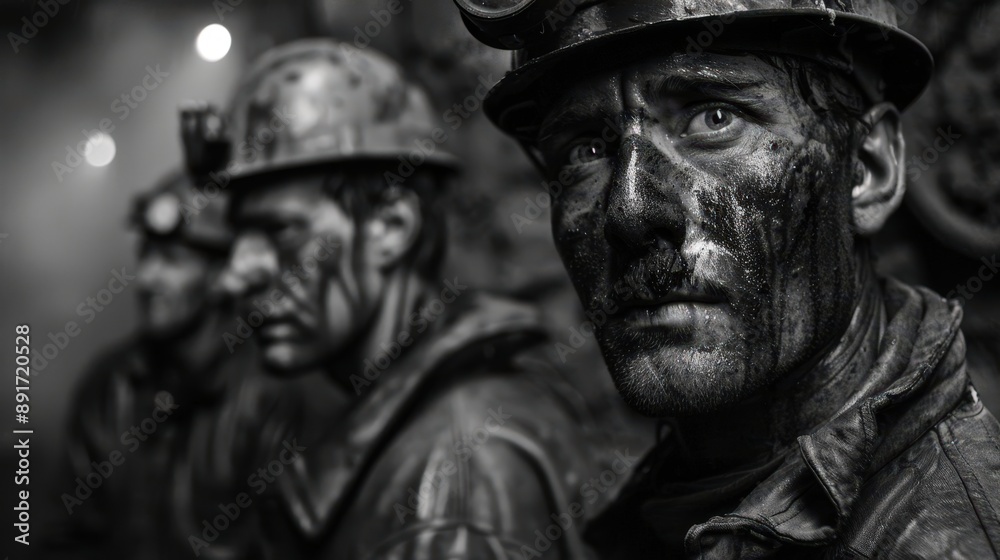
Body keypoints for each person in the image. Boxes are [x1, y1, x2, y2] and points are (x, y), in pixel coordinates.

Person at [453, 0, 1000, 557]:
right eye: (586, 149)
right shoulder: (670, 513)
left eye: (713, 118)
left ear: (866, 169)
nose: (629, 210)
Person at [205, 39, 607, 559]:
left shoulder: (457, 477)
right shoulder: (434, 436)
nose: (235, 276)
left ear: (390, 227)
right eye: (237, 238)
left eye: (280, 229)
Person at [50, 172, 301, 560]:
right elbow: (70, 537)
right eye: (146, 254)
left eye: (172, 260)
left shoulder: (269, 392)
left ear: (222, 274)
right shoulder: (111, 385)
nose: (148, 278)